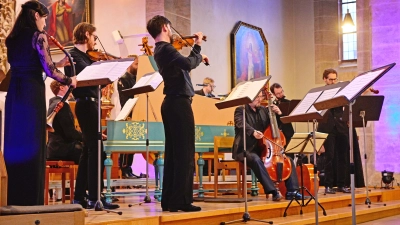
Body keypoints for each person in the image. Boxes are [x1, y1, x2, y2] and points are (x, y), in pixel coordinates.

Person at [4, 0, 77, 206]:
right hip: (32, 94)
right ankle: (32, 201)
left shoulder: (12, 38)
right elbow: (49, 71)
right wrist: (70, 80)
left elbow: (30, 64)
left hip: (15, 95)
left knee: (16, 143)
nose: (45, 23)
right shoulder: (38, 36)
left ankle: (15, 199)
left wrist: (56, 64)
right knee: (34, 144)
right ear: (36, 15)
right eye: (45, 18)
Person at [146, 15, 209, 212]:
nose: (172, 31)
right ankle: (182, 201)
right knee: (185, 153)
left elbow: (185, 63)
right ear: (165, 27)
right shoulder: (167, 49)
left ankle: (171, 201)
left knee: (175, 153)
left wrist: (197, 55)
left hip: (172, 103)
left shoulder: (162, 50)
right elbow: (189, 63)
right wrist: (198, 46)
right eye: (170, 28)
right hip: (178, 103)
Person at [64, 22, 119, 209]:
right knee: (96, 151)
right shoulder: (73, 56)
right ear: (86, 35)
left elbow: (95, 84)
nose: (95, 41)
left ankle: (81, 197)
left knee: (90, 151)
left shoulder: (85, 57)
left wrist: (108, 76)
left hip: (92, 104)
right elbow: (82, 79)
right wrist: (100, 69)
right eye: (94, 37)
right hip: (85, 104)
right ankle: (95, 197)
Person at [232, 91, 308, 201]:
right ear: (249, 98)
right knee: (256, 159)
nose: (260, 99)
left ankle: (292, 191)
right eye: (257, 97)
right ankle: (273, 191)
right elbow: (240, 124)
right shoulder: (241, 110)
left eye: (261, 97)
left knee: (289, 160)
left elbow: (275, 127)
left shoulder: (263, 110)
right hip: (245, 148)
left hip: (262, 148)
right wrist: (253, 132)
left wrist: (278, 114)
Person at [317, 69, 351, 194]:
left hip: (341, 126)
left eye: (335, 79)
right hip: (327, 127)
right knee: (329, 157)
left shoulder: (341, 91)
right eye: (331, 79)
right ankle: (328, 185)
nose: (333, 81)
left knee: (343, 156)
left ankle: (342, 184)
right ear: (325, 79)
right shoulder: (321, 92)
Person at [116, 57, 142, 179]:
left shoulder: (137, 78)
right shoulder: (123, 79)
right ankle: (124, 168)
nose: (138, 67)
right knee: (127, 146)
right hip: (128, 113)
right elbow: (125, 98)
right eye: (136, 64)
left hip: (136, 113)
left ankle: (129, 169)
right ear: (130, 64)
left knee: (133, 145)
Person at [47, 80, 83, 165]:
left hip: (54, 147)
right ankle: (87, 178)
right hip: (62, 148)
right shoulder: (62, 105)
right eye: (69, 87)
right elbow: (70, 133)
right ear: (62, 87)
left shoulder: (53, 103)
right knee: (92, 152)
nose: (71, 89)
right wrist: (86, 137)